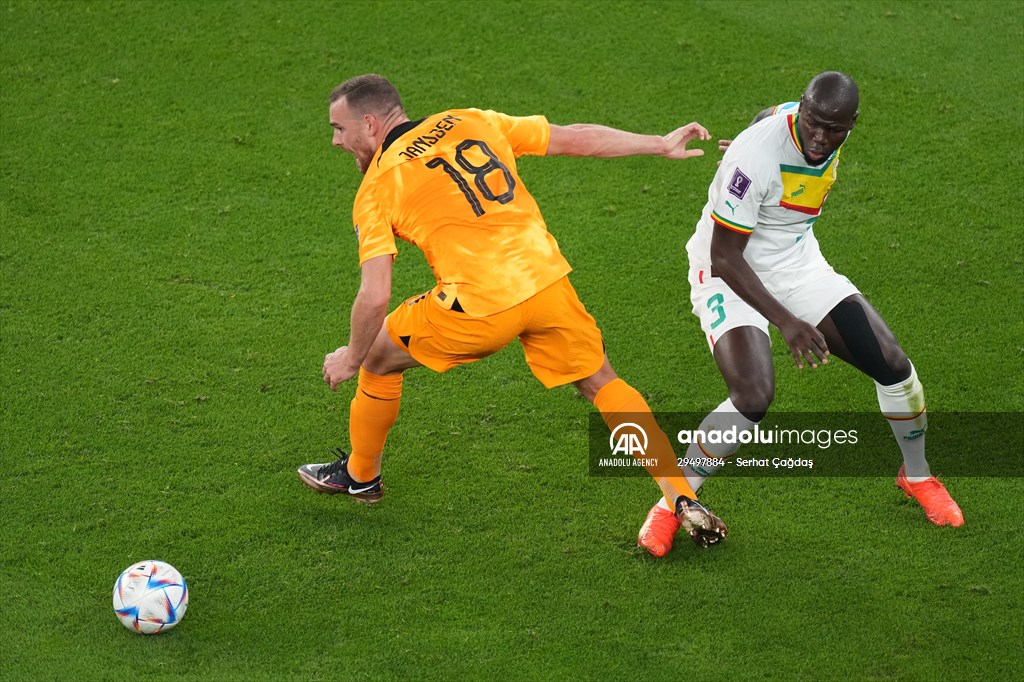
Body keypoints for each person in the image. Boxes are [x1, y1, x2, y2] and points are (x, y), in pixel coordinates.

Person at [297, 74, 727, 548]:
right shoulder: (471, 120)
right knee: (602, 383)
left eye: (340, 129)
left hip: (477, 308)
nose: (336, 140)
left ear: (371, 124)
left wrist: (350, 356)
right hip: (545, 283)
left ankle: (361, 475)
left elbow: (375, 295)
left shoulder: (377, 186)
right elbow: (573, 137)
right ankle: (679, 493)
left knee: (378, 360)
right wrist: (656, 144)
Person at [637, 71, 964, 558]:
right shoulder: (759, 156)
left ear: (851, 124)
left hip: (797, 265)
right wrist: (787, 322)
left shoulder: (810, 122)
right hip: (727, 270)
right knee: (752, 394)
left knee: (894, 367)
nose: (818, 136)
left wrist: (749, 136)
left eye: (832, 128)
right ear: (803, 114)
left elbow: (769, 114)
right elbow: (727, 256)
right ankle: (671, 502)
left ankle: (916, 476)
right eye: (812, 123)